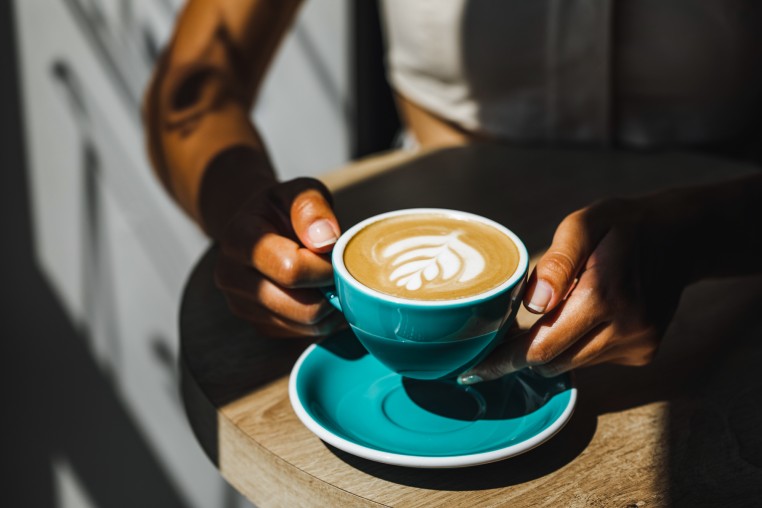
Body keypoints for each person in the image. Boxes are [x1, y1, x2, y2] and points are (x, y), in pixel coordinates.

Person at [143, 0, 762, 383]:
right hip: (410, 291)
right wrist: (251, 225)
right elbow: (197, 89)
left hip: (721, 321)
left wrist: (698, 236)